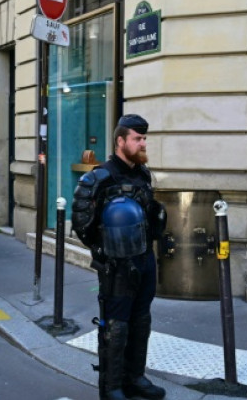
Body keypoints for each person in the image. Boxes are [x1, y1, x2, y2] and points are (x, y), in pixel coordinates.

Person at [71, 114, 166, 400]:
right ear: (121, 141)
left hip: (144, 258)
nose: (142, 144)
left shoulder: (142, 174)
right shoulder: (99, 177)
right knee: (116, 323)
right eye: (137, 139)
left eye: (144, 139)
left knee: (141, 319)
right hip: (117, 266)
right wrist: (104, 253)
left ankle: (135, 377)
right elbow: (81, 223)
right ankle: (112, 387)